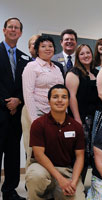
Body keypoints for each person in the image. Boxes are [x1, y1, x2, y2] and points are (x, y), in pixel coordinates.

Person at [25, 84, 86, 200]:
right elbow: (39, 154)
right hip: (42, 168)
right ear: (49, 101)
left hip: (66, 170)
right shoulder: (38, 124)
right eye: (55, 97)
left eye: (64, 97)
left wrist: (73, 182)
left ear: (68, 101)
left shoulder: (76, 126)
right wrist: (60, 180)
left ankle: (54, 196)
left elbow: (80, 157)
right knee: (36, 176)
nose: (59, 100)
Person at [22, 35, 64, 168]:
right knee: (34, 150)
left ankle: (51, 183)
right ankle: (33, 183)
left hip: (54, 113)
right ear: (37, 49)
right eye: (43, 46)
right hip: (36, 111)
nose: (47, 49)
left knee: (53, 149)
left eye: (50, 46)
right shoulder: (32, 66)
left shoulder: (57, 68)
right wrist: (34, 120)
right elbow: (28, 93)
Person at [0, 17, 30, 200]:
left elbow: (25, 85)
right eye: (10, 27)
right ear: (4, 30)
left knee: (12, 153)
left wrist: (18, 100)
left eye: (16, 28)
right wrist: (5, 103)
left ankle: (10, 190)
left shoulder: (23, 57)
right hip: (0, 110)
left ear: (20, 33)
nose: (13, 30)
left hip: (15, 114)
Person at [65, 44, 99, 181]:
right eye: (82, 54)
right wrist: (78, 120)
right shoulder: (73, 73)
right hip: (81, 119)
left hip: (96, 119)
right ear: (78, 57)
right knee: (82, 153)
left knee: (95, 153)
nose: (86, 56)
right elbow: (71, 97)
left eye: (88, 53)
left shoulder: (96, 73)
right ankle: (77, 184)